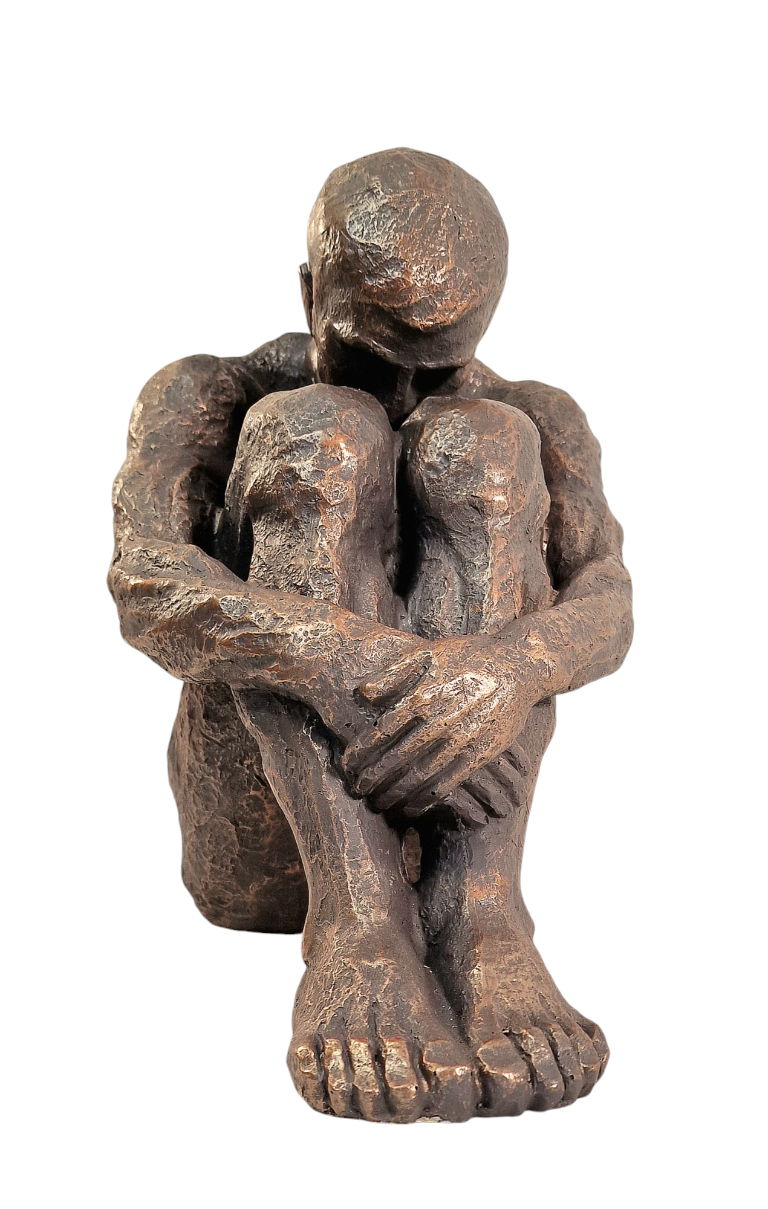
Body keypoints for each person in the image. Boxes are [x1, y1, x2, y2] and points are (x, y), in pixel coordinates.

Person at [109, 148, 632, 1120]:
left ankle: (480, 917)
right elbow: (145, 583)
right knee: (320, 430)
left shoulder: (535, 413)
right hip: (265, 829)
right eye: (365, 356)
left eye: (433, 369)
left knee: (485, 443)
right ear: (310, 293)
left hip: (460, 796)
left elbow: (608, 599)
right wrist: (351, 659)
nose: (397, 395)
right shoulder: (205, 393)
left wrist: (500, 674)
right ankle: (356, 927)